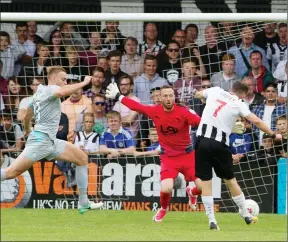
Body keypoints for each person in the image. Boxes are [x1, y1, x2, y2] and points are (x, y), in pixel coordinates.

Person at [0, 66, 103, 214]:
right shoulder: (49, 90)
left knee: (82, 158)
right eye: (63, 79)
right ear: (53, 79)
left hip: (50, 141)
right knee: (10, 173)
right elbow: (62, 92)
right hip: (40, 142)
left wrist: (28, 129)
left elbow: (28, 114)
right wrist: (84, 82)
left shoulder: (38, 93)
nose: (65, 82)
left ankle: (83, 203)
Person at [105, 83, 202, 222]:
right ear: (160, 98)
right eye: (165, 96)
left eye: (170, 95)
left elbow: (202, 123)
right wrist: (118, 96)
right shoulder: (155, 111)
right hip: (169, 157)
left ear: (174, 97)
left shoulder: (184, 112)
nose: (168, 98)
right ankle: (163, 209)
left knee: (201, 187)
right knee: (167, 188)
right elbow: (136, 106)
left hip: (187, 156)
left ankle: (192, 192)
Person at [194, 81, 282, 230]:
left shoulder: (215, 90)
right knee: (230, 180)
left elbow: (198, 94)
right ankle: (245, 213)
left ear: (231, 89)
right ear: (244, 94)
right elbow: (256, 121)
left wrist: (203, 98)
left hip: (202, 142)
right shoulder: (239, 104)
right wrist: (273, 135)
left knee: (206, 182)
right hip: (220, 144)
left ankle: (212, 220)